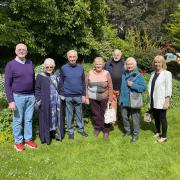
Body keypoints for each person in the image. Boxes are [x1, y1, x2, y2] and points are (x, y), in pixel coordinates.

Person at [5, 43, 37, 151]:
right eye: (19, 49)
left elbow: (33, 80)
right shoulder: (10, 64)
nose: (21, 51)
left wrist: (35, 95)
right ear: (15, 51)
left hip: (30, 96)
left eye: (24, 49)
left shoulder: (30, 63)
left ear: (27, 52)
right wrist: (10, 101)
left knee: (29, 119)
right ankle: (18, 142)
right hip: (18, 97)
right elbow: (7, 84)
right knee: (18, 120)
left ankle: (28, 140)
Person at [35, 58, 65, 145]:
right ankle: (46, 137)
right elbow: (37, 89)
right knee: (46, 118)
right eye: (47, 66)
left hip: (55, 102)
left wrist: (62, 95)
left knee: (55, 118)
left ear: (54, 67)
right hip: (45, 102)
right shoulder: (40, 76)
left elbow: (61, 87)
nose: (49, 68)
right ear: (44, 67)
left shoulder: (56, 76)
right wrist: (38, 99)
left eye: (51, 66)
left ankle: (56, 134)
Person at [59, 50, 88, 139]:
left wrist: (84, 94)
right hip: (68, 96)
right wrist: (62, 93)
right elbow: (61, 82)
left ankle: (81, 130)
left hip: (79, 95)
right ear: (68, 57)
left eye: (73, 57)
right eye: (70, 57)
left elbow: (83, 82)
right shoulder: (63, 68)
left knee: (79, 113)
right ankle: (70, 132)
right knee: (69, 114)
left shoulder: (80, 67)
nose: (72, 59)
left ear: (76, 57)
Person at [119, 57, 146, 143]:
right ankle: (127, 131)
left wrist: (133, 85)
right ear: (125, 65)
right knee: (124, 117)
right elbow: (121, 87)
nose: (129, 66)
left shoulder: (138, 75)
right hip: (124, 100)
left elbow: (143, 88)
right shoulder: (123, 74)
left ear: (134, 65)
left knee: (135, 119)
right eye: (127, 64)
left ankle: (135, 135)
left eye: (131, 64)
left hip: (134, 101)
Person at [85, 57, 113, 139]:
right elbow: (85, 86)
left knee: (105, 114)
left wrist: (110, 99)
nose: (98, 66)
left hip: (104, 98)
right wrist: (86, 97)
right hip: (93, 98)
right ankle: (97, 128)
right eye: (97, 64)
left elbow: (111, 87)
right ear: (94, 64)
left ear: (103, 65)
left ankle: (106, 130)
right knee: (96, 114)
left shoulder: (106, 73)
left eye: (100, 64)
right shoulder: (90, 73)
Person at [148, 55, 172, 143]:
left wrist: (167, 100)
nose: (157, 64)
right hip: (153, 100)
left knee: (162, 118)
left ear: (163, 63)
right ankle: (158, 132)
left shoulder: (167, 73)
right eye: (155, 62)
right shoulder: (152, 73)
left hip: (161, 100)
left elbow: (168, 88)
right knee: (156, 118)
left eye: (159, 62)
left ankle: (164, 137)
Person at [105, 49, 125, 123]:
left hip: (121, 88)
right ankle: (113, 121)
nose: (116, 56)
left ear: (121, 55)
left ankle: (123, 121)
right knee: (113, 106)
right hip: (111, 89)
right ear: (113, 55)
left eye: (118, 55)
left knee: (122, 106)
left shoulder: (124, 63)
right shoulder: (107, 64)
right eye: (115, 55)